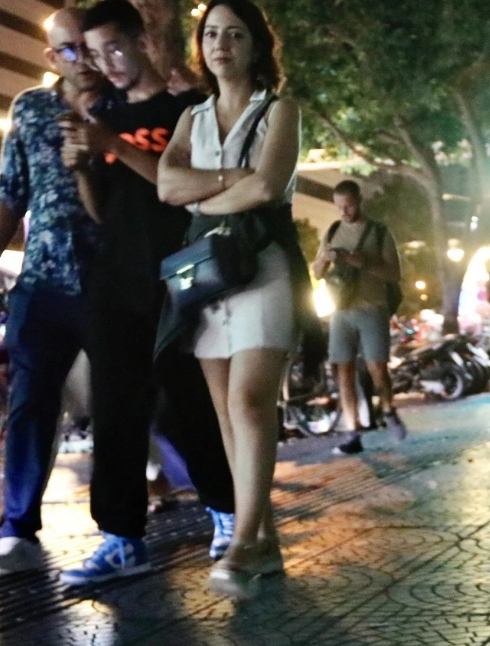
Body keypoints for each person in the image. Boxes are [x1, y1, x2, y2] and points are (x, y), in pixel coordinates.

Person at [55, 0, 237, 586]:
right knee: (115, 411)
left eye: (114, 48)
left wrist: (109, 141)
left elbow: (180, 189)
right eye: (94, 52)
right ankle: (121, 538)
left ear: (142, 41)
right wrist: (83, 163)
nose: (106, 63)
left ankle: (228, 513)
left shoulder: (188, 110)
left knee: (190, 403)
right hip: (115, 280)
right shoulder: (103, 115)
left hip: (179, 276)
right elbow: (100, 209)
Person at [156, 0, 316, 598]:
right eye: (212, 34)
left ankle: (243, 539)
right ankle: (265, 539)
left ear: (256, 47)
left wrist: (204, 196)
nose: (221, 44)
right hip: (205, 276)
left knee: (250, 402)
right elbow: (167, 186)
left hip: (264, 264)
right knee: (225, 412)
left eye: (236, 34)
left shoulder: (280, 110)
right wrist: (230, 184)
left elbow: (269, 186)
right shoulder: (189, 120)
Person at [0, 9, 104, 576]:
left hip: (111, 282)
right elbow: (10, 191)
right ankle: (17, 532)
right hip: (43, 283)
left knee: (134, 400)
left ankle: (138, 524)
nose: (84, 59)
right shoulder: (29, 108)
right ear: (52, 57)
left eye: (90, 47)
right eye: (68, 50)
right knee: (30, 404)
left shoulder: (125, 106)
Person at [310, 180, 405, 455]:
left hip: (372, 308)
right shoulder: (332, 231)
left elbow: (394, 274)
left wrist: (361, 262)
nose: (345, 211)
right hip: (341, 311)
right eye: (339, 206)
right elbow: (316, 273)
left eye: (349, 205)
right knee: (344, 371)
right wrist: (324, 259)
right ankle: (353, 433)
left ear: (360, 200)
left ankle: (388, 410)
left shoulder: (379, 232)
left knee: (377, 368)